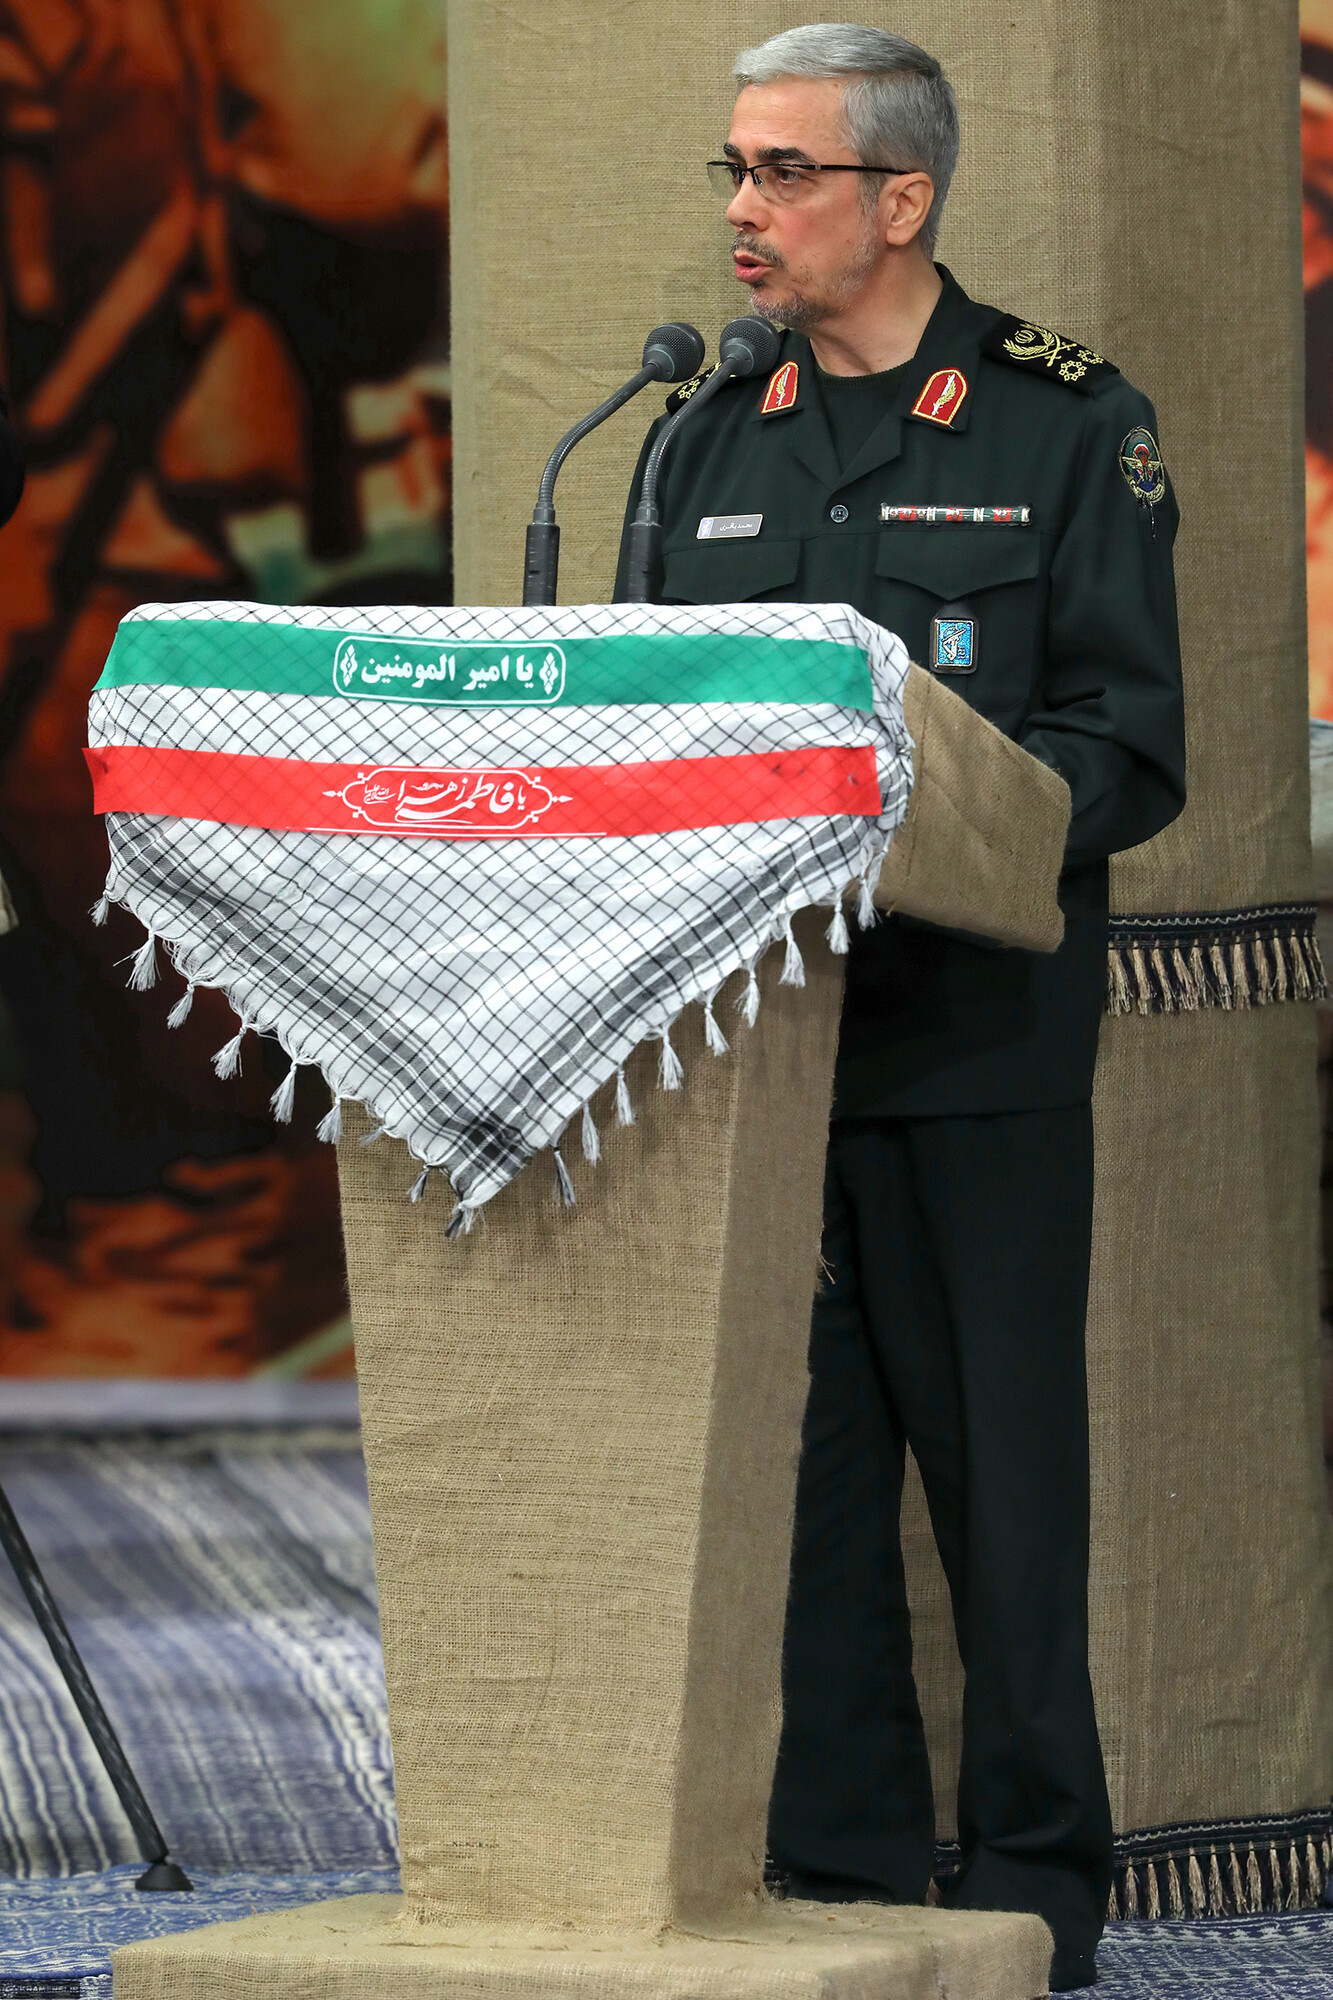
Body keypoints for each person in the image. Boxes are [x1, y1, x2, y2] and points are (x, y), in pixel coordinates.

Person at [614, 24, 1185, 1993]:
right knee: (801, 1482)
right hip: (755, 1054)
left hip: (968, 1048)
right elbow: (650, 734)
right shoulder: (703, 433)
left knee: (1003, 1486)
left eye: (783, 172)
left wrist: (931, 830)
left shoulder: (1059, 423)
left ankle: (1033, 1882)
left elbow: (1125, 743)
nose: (744, 207)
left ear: (900, 198)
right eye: (733, 169)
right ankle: (839, 1876)